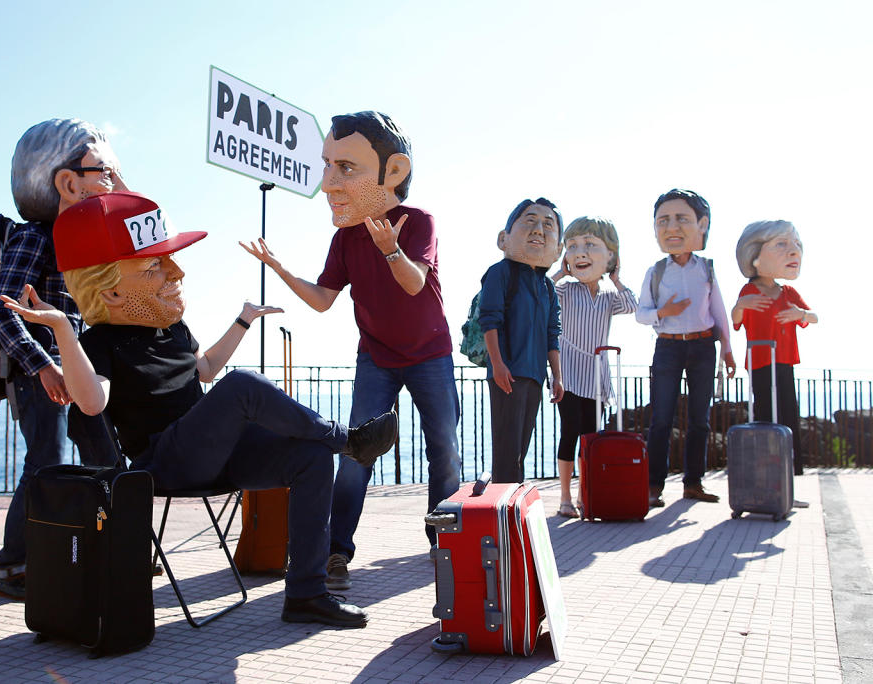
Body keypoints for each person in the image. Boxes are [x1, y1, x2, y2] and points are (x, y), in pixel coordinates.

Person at [1, 190, 398, 627]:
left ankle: (307, 594)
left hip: (214, 455)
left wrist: (243, 320)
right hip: (165, 462)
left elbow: (204, 369)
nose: (177, 272)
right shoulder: (101, 342)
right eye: (155, 267)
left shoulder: (173, 329)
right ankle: (349, 441)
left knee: (312, 456)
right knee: (245, 386)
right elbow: (92, 402)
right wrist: (63, 331)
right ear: (112, 293)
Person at [240, 111, 460, 591]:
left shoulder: (418, 221)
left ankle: (443, 541)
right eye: (327, 166)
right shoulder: (344, 238)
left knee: (444, 451)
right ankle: (337, 550)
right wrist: (279, 268)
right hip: (376, 357)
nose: (328, 184)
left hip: (429, 355)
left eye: (345, 168)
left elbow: (414, 282)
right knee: (357, 453)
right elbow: (322, 301)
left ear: (394, 173)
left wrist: (390, 249)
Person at [0, 118, 128, 599]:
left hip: (79, 373)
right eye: (104, 171)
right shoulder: (36, 238)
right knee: (46, 462)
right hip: (39, 374)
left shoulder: (87, 244)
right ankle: (13, 566)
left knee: (107, 459)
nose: (112, 181)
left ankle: (111, 548)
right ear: (67, 182)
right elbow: (2, 311)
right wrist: (42, 366)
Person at [635, 189, 736, 508]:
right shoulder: (656, 271)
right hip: (667, 346)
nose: (672, 226)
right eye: (663, 220)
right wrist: (666, 312)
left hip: (704, 346)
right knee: (661, 419)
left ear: (700, 225)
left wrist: (728, 349)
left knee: (700, 419)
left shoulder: (706, 268)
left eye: (681, 218)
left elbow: (719, 311)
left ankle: (693, 484)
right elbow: (641, 313)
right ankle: (653, 487)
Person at [550, 216, 636, 517]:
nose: (580, 253)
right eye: (572, 246)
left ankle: (587, 493)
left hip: (597, 376)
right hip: (569, 373)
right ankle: (564, 497)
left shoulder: (610, 296)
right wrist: (560, 273)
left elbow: (632, 304)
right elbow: (543, 292)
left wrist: (616, 278)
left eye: (590, 245)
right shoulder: (565, 291)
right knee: (570, 431)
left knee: (591, 435)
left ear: (610, 255)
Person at [478, 198, 564, 484]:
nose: (539, 230)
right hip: (507, 373)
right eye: (530, 221)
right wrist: (498, 364)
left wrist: (557, 376)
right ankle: (503, 508)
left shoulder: (548, 286)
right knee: (506, 449)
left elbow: (553, 333)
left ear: (558, 248)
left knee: (520, 448)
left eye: (548, 225)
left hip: (534, 374)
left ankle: (513, 502)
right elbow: (489, 320)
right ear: (504, 238)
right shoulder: (499, 273)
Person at [732, 220, 816, 479]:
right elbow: (736, 321)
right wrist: (741, 304)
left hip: (784, 362)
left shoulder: (788, 292)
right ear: (754, 256)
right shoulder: (748, 290)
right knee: (765, 415)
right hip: (760, 362)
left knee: (789, 415)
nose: (793, 251)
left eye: (796, 245)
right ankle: (766, 475)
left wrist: (799, 313)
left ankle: (790, 476)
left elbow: (812, 317)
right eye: (781, 244)